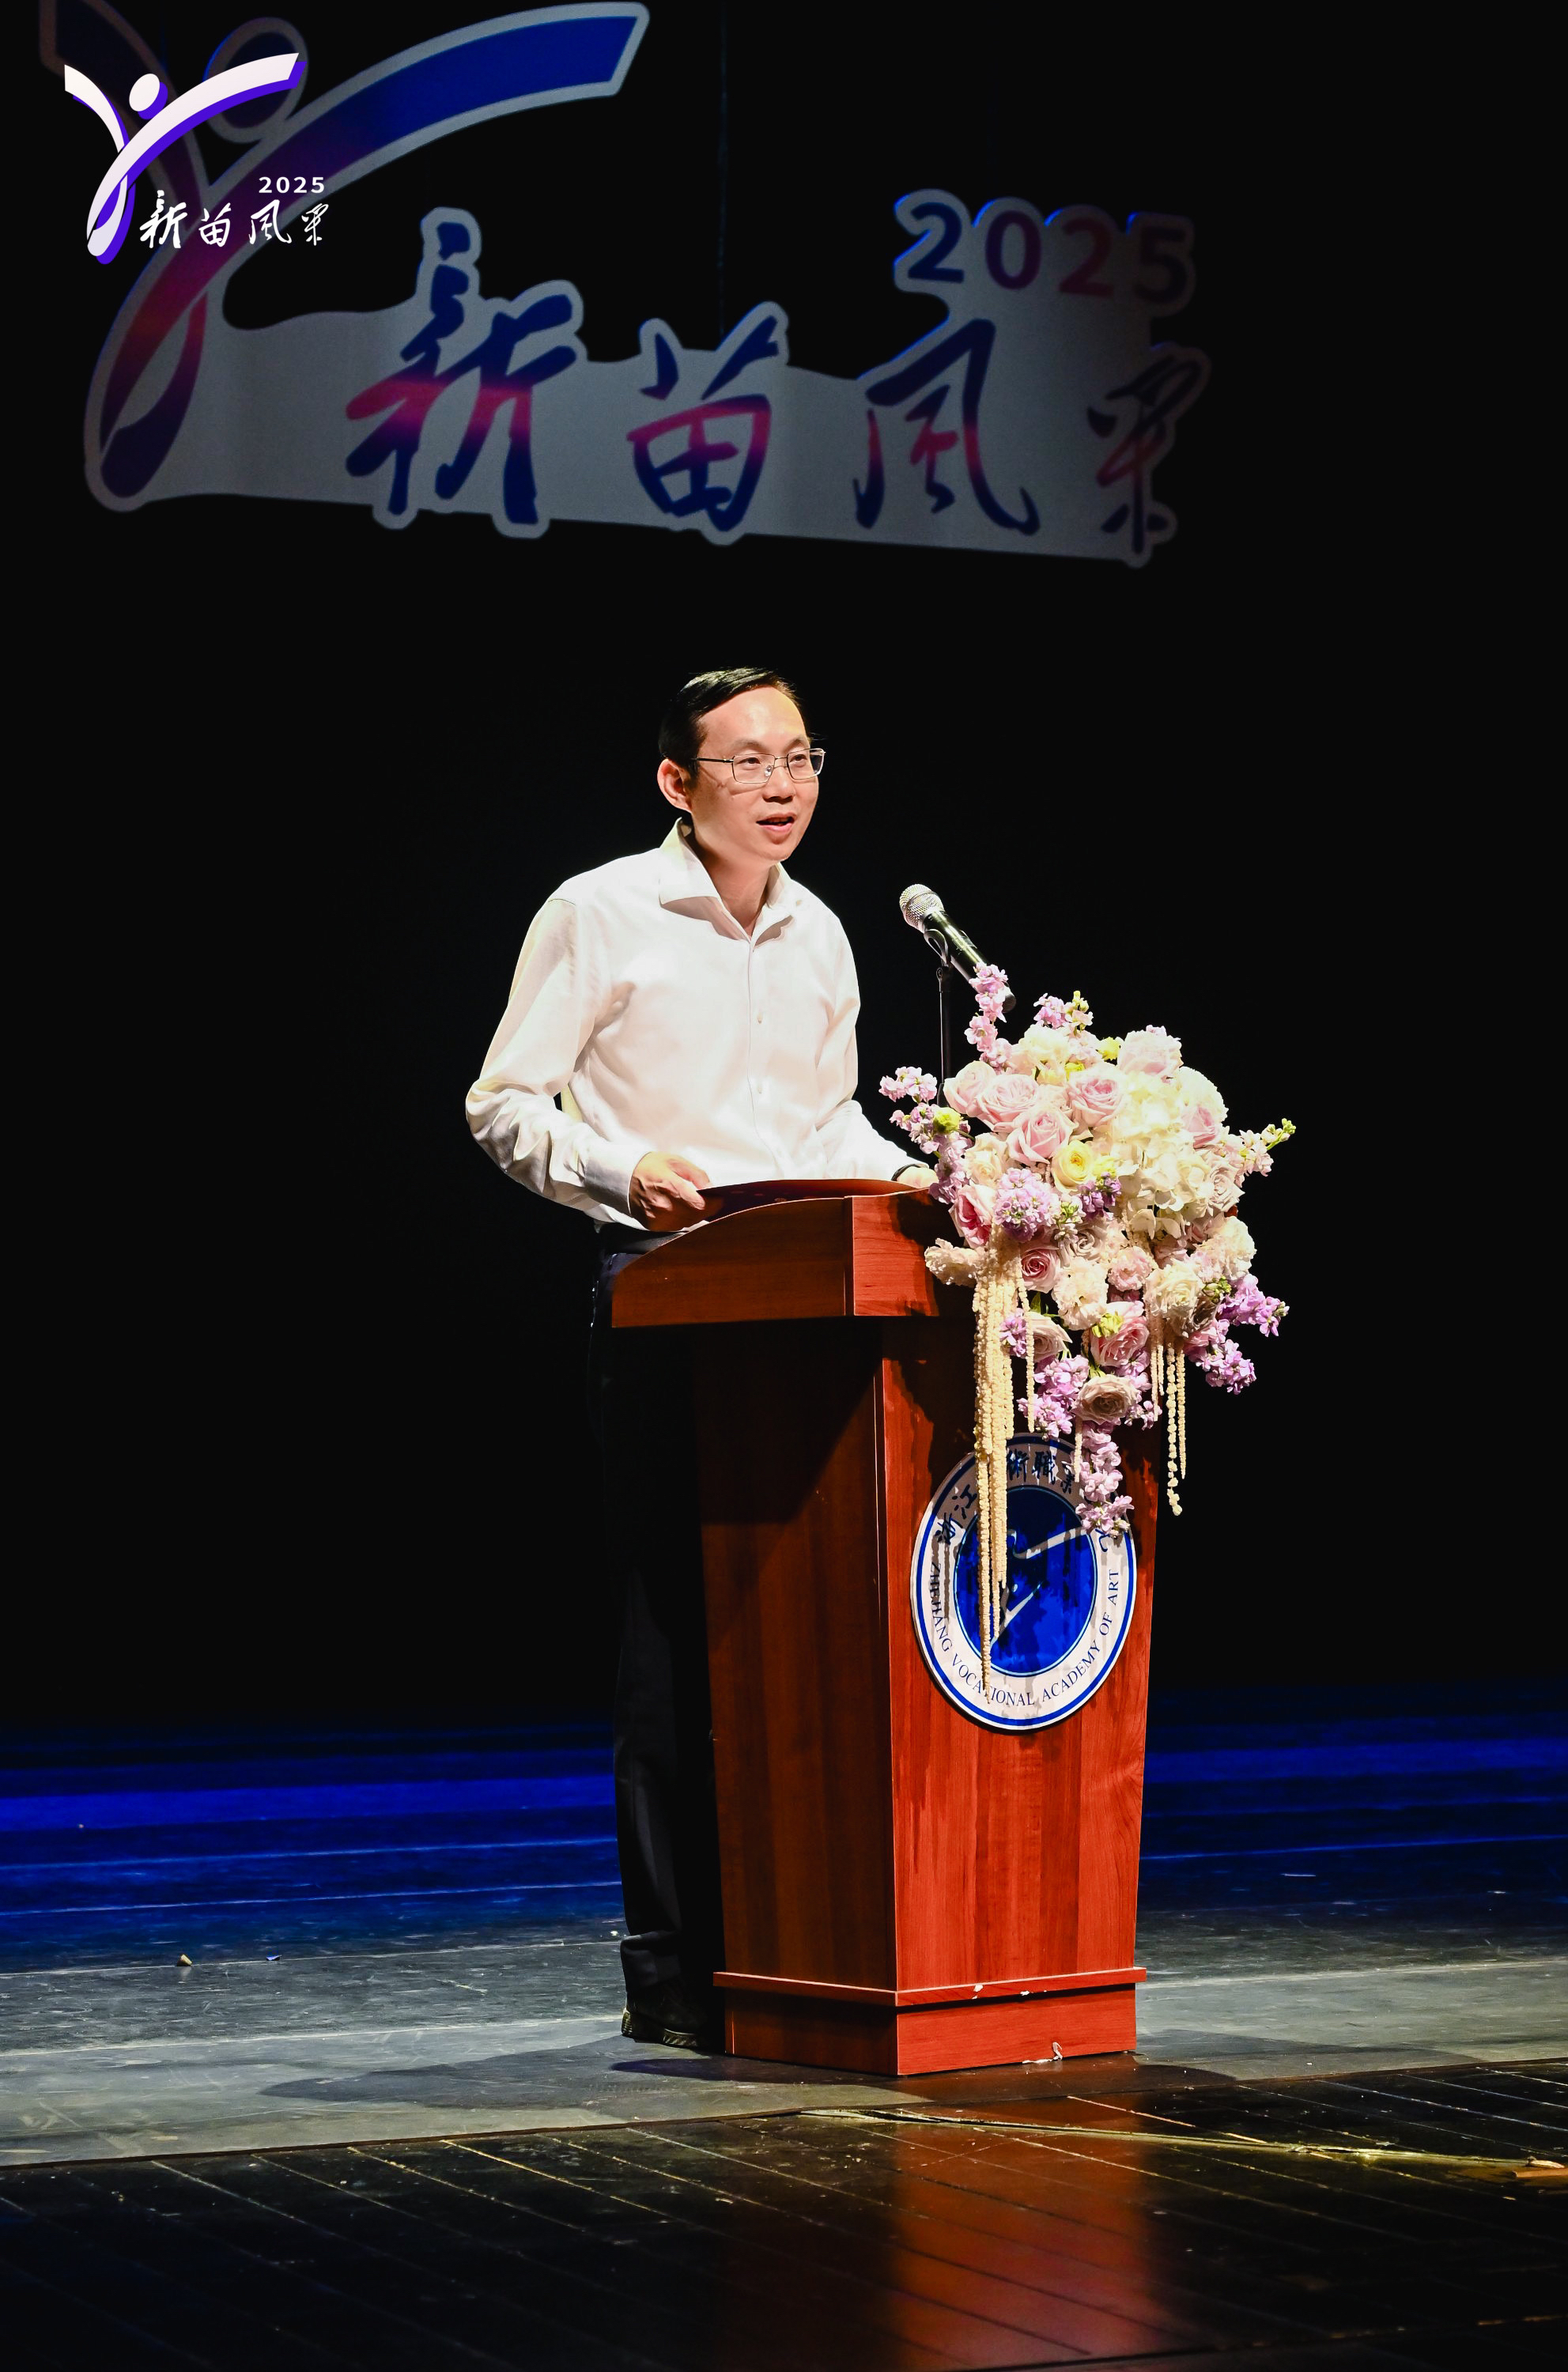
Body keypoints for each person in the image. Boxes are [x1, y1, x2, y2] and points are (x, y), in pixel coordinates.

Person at [466, 667, 928, 2048]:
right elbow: (502, 1102)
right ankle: (673, 1968)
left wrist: (934, 1186)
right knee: (675, 1627)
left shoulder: (820, 931)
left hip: (810, 1304)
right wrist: (622, 1170)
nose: (783, 786)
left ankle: (799, 1944)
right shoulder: (599, 910)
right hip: (667, 1287)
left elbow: (825, 1126)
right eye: (749, 761)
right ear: (678, 782)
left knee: (808, 1622)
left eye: (801, 758)